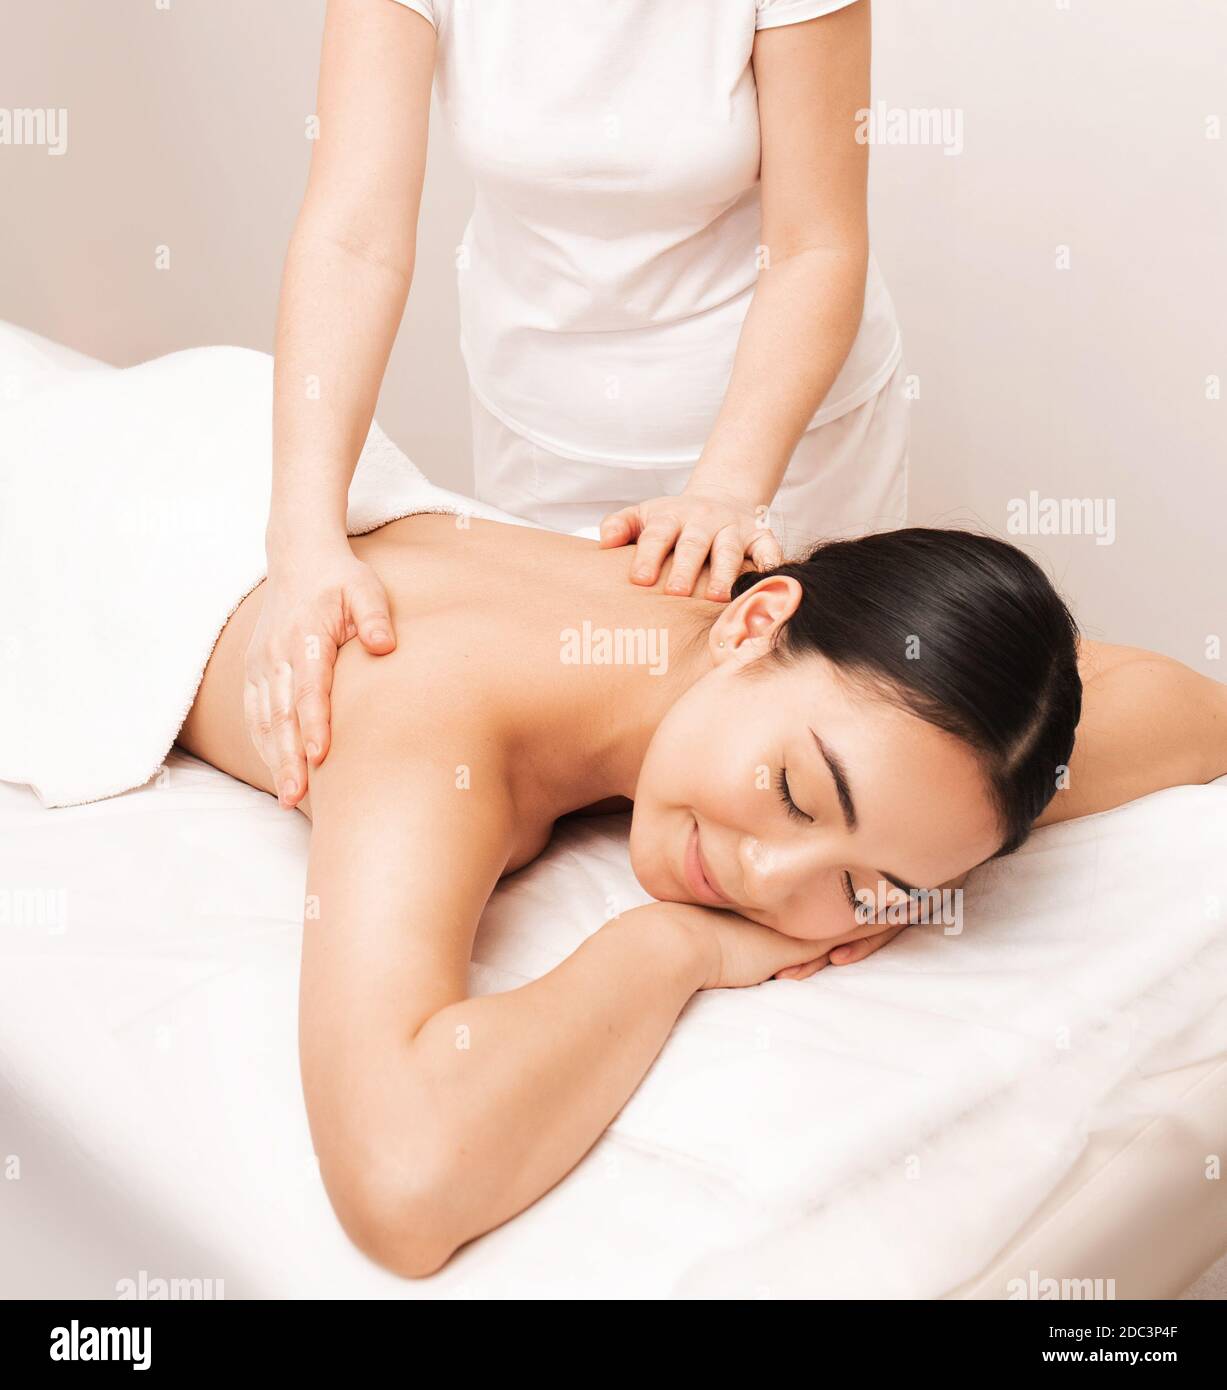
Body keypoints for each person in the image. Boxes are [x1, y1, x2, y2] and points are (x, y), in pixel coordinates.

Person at [179, 512, 1227, 1277]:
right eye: (795, 796)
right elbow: (400, 1183)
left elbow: (1191, 713)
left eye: (867, 888)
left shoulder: (770, 640)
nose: (763, 881)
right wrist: (671, 951)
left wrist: (920, 857)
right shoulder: (431, 731)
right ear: (754, 621)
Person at [248, 0, 907, 809]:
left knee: (800, 771)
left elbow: (817, 244)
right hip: (544, 442)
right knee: (584, 782)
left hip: (782, 450)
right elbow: (352, 237)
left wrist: (730, 489)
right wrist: (304, 535)